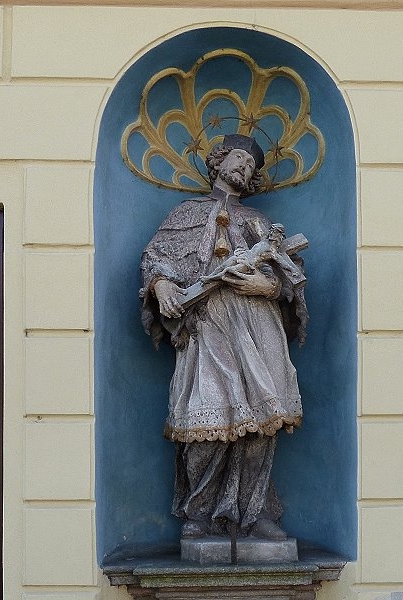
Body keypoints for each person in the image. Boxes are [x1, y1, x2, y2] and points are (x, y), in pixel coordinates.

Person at [140, 134, 308, 541]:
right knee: (207, 417)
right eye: (238, 158)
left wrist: (266, 288)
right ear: (217, 161)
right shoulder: (185, 213)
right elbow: (155, 260)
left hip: (258, 321)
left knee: (263, 422)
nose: (243, 168)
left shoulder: (260, 223)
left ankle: (256, 511)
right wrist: (162, 288)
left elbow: (289, 279)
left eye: (251, 165)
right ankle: (199, 512)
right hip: (209, 321)